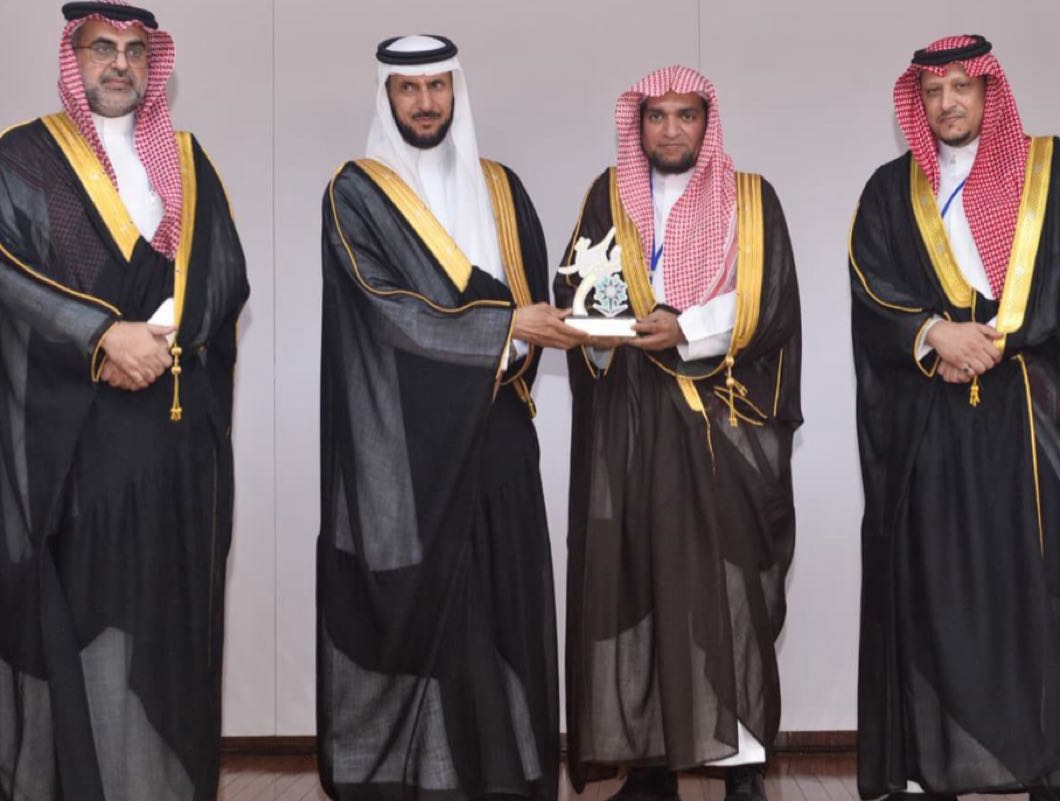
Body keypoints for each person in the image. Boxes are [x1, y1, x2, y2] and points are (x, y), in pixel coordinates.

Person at [0, 2, 249, 799]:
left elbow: (224, 275)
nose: (119, 64)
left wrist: (158, 334)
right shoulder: (25, 158)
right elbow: (9, 275)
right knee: (84, 625)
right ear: (75, 56)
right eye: (102, 48)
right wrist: (101, 337)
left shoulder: (188, 162)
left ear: (152, 64)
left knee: (163, 626)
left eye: (133, 51)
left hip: (171, 446)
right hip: (75, 453)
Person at [849, 34, 1060, 801]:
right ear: (917, 100)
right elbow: (872, 289)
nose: (947, 102)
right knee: (941, 596)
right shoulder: (890, 191)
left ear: (988, 91)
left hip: (1036, 425)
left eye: (961, 87)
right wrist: (932, 335)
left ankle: (1057, 775)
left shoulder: (1048, 170)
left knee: (1045, 597)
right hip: (934, 425)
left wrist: (999, 340)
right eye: (933, 90)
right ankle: (939, 770)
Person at [317, 34, 578, 801]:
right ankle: (427, 783)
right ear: (387, 96)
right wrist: (503, 328)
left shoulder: (502, 188)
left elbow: (535, 302)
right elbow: (385, 311)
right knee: (431, 617)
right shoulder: (355, 193)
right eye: (409, 88)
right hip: (406, 449)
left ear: (455, 91)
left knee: (503, 610)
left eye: (438, 86)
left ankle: (505, 778)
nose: (425, 102)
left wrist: (526, 331)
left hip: (496, 436)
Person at [556, 65, 802, 801]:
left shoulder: (751, 200)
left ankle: (742, 765)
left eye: (685, 115)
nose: (670, 130)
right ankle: (650, 764)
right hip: (632, 426)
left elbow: (768, 300)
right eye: (656, 116)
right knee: (637, 583)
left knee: (729, 592)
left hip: (719, 423)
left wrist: (685, 326)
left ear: (706, 121)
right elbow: (576, 289)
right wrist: (594, 323)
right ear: (638, 125)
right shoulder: (607, 196)